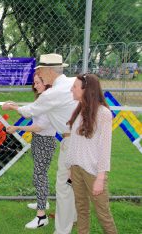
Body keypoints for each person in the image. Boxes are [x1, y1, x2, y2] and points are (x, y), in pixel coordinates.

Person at [2, 53, 78, 234]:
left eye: (40, 73)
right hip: (77, 138)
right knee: (73, 182)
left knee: (63, 185)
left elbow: (31, 113)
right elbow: (36, 107)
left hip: (68, 140)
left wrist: (13, 111)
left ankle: (52, 223)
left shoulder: (53, 93)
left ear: (48, 71)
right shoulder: (73, 82)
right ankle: (72, 218)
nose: (38, 78)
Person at [66, 74, 117, 233]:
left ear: (86, 90)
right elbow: (74, 142)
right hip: (76, 169)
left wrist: (100, 178)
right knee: (81, 210)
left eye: (74, 87)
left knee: (103, 214)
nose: (71, 89)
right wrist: (70, 167)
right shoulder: (79, 109)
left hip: (94, 172)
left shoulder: (103, 114)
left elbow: (105, 148)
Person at [6, 72, 56, 229]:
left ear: (47, 82)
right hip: (39, 139)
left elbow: (39, 126)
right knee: (39, 174)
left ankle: (41, 218)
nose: (35, 86)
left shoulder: (49, 99)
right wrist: (16, 106)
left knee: (40, 176)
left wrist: (17, 127)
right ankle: (43, 202)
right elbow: (32, 111)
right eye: (34, 83)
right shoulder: (43, 98)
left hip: (44, 141)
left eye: (38, 82)